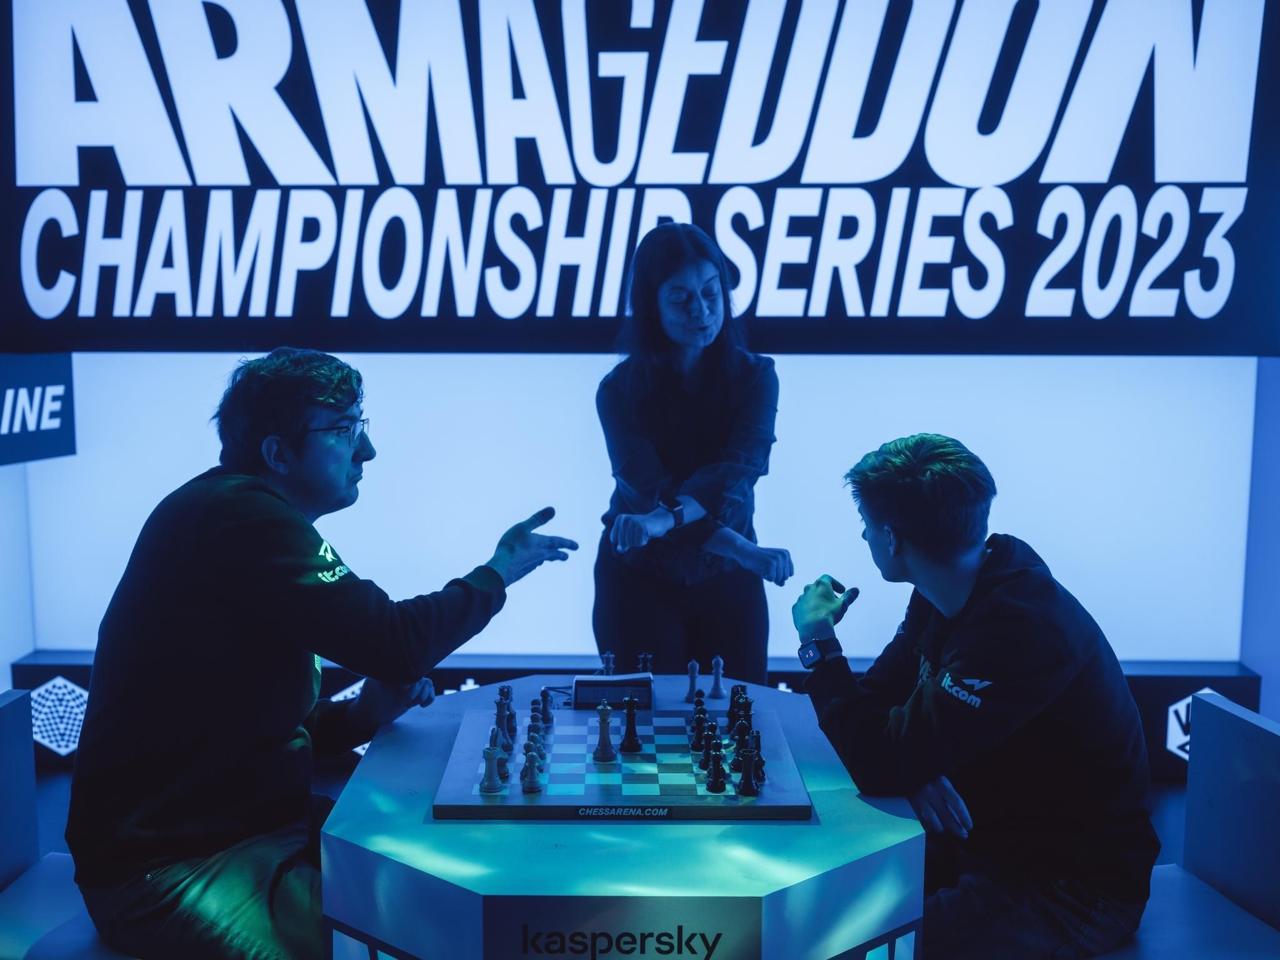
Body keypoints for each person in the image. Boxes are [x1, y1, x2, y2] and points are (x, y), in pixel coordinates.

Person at [65, 347, 577, 960]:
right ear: (278, 454)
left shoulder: (239, 515)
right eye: (342, 430)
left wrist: (362, 715)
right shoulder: (240, 517)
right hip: (168, 867)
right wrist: (498, 572)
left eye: (361, 426)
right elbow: (395, 643)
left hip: (253, 830)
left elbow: (257, 728)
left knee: (452, 894)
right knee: (419, 937)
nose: (367, 451)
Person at [791, 433, 1159, 959]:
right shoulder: (946, 589)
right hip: (985, 848)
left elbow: (876, 753)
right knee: (814, 908)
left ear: (891, 539)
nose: (864, 535)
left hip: (1071, 891)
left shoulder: (1020, 629)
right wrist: (911, 766)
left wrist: (819, 642)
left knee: (852, 948)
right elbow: (875, 715)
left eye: (867, 524)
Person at [593, 222, 793, 683]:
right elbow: (647, 492)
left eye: (711, 292)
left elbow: (734, 475)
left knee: (739, 719)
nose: (701, 311)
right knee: (639, 724)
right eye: (681, 298)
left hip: (730, 579)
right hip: (639, 578)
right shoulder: (617, 391)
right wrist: (743, 549)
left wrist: (663, 520)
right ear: (652, 307)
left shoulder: (757, 376)